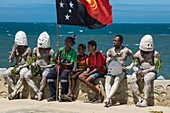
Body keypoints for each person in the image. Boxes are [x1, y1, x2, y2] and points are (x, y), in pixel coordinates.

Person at [130, 34, 161, 107]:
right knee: (132, 78)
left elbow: (157, 67)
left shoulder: (155, 54)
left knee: (147, 79)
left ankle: (145, 100)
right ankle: (139, 98)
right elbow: (134, 65)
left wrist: (147, 71)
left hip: (151, 72)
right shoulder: (137, 54)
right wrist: (136, 70)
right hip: (141, 71)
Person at [23, 31, 55, 101]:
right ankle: (37, 92)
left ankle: (40, 90)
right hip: (36, 67)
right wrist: (33, 64)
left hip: (46, 67)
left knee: (44, 75)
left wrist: (45, 67)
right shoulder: (35, 49)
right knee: (26, 76)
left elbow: (52, 64)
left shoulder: (50, 51)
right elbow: (33, 60)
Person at [104, 35, 134, 107]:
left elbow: (135, 58)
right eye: (113, 40)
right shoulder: (110, 51)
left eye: (116, 41)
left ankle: (108, 98)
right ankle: (109, 98)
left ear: (121, 42)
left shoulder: (126, 50)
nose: (114, 42)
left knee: (117, 79)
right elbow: (106, 63)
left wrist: (130, 67)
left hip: (121, 70)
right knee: (107, 80)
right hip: (112, 70)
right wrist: (110, 59)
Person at [46, 36, 77, 102]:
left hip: (67, 69)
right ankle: (53, 95)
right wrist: (57, 55)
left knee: (63, 77)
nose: (66, 43)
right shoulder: (61, 49)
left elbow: (71, 64)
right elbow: (55, 60)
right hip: (59, 67)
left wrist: (61, 64)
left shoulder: (73, 52)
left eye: (68, 42)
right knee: (49, 76)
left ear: (71, 44)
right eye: (66, 41)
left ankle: (63, 94)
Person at [3, 31, 31, 99]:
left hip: (24, 66)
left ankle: (14, 93)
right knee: (5, 74)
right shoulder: (16, 49)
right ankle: (15, 91)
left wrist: (21, 66)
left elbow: (28, 62)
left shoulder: (28, 49)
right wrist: (13, 51)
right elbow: (10, 60)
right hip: (16, 65)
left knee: (22, 74)